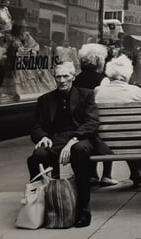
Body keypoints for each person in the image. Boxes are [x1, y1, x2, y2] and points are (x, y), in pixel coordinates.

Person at [27, 62, 99, 228]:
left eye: (66, 76)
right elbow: (36, 126)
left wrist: (74, 139)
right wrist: (42, 137)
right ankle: (47, 205)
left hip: (80, 137)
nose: (62, 80)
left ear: (73, 77)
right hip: (55, 139)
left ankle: (83, 209)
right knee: (38, 155)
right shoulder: (45, 100)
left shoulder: (86, 95)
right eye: (58, 76)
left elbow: (91, 122)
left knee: (79, 151)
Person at [94, 55, 141, 185]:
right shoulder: (136, 91)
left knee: (104, 131)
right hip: (135, 143)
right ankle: (136, 171)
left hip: (103, 144)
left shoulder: (98, 91)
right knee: (134, 129)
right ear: (127, 74)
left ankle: (103, 174)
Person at [75, 43, 117, 186]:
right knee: (103, 135)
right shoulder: (103, 79)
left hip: (80, 124)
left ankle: (92, 174)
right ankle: (107, 175)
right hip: (97, 124)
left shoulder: (76, 79)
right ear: (99, 60)